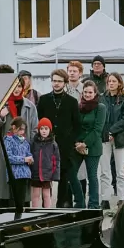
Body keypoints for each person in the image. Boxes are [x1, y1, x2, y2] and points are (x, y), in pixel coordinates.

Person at [37, 69, 81, 206]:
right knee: (45, 175)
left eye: (59, 81)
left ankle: (62, 204)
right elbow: (39, 121)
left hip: (65, 145)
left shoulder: (72, 101)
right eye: (54, 81)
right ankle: (46, 205)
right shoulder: (43, 100)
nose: (56, 84)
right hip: (46, 144)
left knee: (64, 176)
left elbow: (77, 125)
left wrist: (71, 140)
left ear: (65, 83)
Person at [100, 73, 124, 201]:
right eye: (109, 81)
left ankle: (121, 198)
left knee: (120, 171)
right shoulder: (102, 98)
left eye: (114, 81)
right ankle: (105, 199)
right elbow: (100, 117)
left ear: (119, 83)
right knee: (104, 171)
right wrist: (106, 133)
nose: (111, 83)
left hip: (120, 138)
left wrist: (112, 132)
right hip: (104, 138)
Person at [73, 81, 105, 209]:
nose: (87, 94)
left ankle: (93, 204)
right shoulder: (78, 106)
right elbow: (75, 126)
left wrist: (85, 143)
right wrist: (77, 143)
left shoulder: (100, 107)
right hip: (77, 146)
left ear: (95, 93)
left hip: (92, 147)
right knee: (72, 174)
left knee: (92, 177)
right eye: (85, 92)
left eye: (90, 92)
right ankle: (79, 202)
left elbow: (97, 129)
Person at [0, 116, 33, 215]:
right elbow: (8, 157)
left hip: (25, 173)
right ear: (14, 127)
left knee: (22, 199)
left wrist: (30, 159)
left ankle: (20, 215)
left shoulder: (25, 141)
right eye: (20, 129)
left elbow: (28, 153)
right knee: (16, 200)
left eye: (23, 129)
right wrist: (23, 159)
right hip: (14, 173)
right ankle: (16, 216)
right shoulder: (8, 140)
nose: (22, 132)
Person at [28, 117, 61, 209]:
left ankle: (47, 212)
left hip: (47, 174)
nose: (44, 131)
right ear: (38, 130)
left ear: (50, 130)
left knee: (46, 194)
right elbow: (30, 155)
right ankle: (34, 212)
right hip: (35, 173)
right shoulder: (34, 142)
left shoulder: (53, 144)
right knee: (35, 194)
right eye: (41, 129)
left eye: (46, 129)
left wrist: (55, 174)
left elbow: (56, 160)